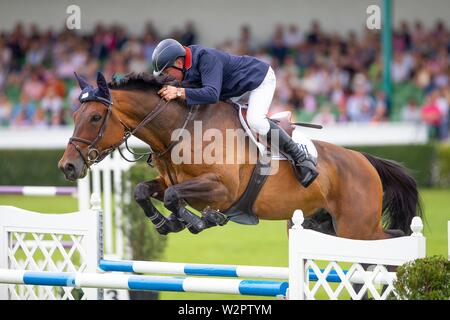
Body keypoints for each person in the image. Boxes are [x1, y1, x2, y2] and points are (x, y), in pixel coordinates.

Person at [151, 38, 318, 187]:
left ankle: (301, 158)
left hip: (258, 80)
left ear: (179, 63)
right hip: (232, 91)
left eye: (166, 72)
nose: (167, 77)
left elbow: (211, 94)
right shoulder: (185, 68)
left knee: (255, 120)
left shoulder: (205, 58)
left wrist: (179, 92)